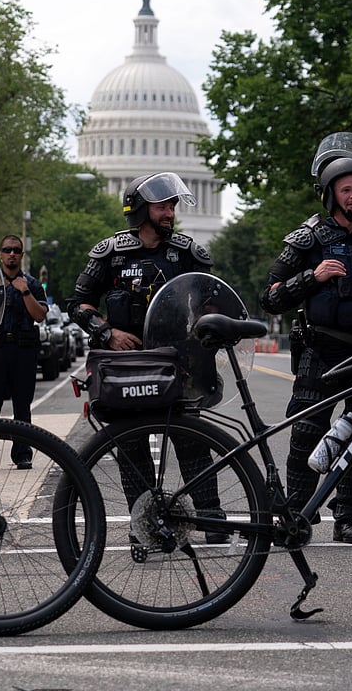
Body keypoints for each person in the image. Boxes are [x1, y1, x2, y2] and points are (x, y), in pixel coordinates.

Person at [66, 172, 224, 542]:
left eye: (171, 206)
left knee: (192, 442)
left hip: (176, 366)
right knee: (132, 447)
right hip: (128, 367)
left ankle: (213, 521)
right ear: (139, 209)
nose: (169, 212)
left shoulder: (187, 253)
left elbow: (210, 299)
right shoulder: (110, 254)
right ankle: (146, 527)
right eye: (161, 206)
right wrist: (108, 333)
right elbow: (78, 304)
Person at [260, 132, 352, 544]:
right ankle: (297, 515)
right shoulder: (308, 240)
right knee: (306, 430)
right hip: (319, 349)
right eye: (346, 190)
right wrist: (312, 276)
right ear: (330, 195)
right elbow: (269, 297)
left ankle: (347, 517)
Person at [0, 234, 46, 471]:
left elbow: (39, 316)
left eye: (16, 250)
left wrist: (25, 292)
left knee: (22, 406)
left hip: (23, 350)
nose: (12, 254)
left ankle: (22, 454)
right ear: (0, 253)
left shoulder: (32, 284)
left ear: (22, 255)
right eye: (7, 250)